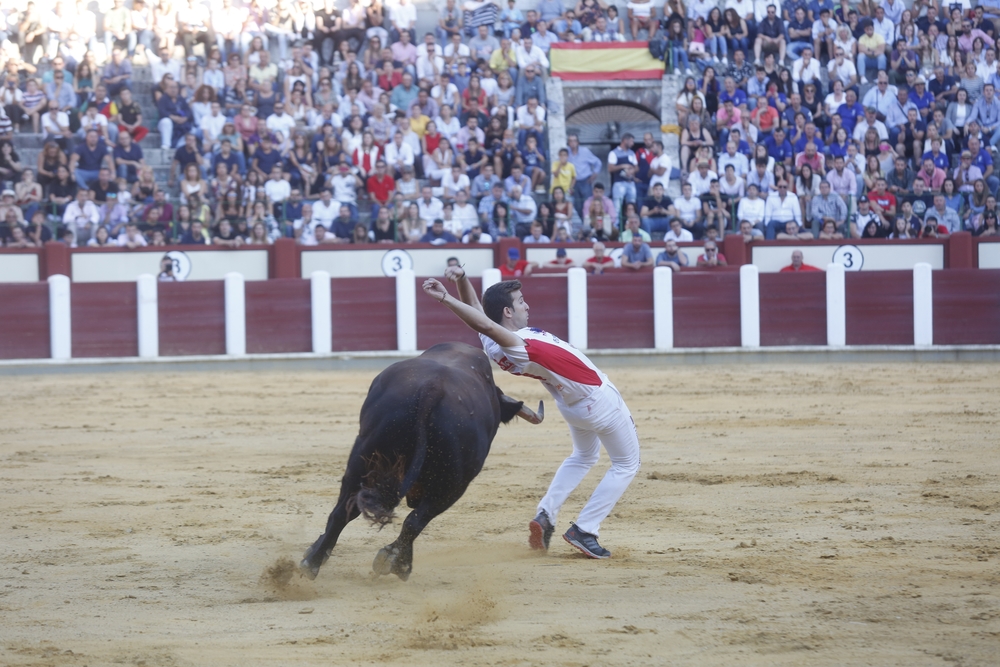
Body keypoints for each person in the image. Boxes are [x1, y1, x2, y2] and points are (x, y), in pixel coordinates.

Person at [422, 268, 640, 559]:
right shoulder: (519, 346)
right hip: (597, 399)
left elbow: (479, 317)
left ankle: (546, 515)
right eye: (521, 301)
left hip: (572, 405)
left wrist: (461, 279)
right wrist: (446, 298)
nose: (527, 305)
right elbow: (485, 324)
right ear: (508, 312)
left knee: (584, 456)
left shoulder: (496, 345)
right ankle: (585, 529)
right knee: (626, 464)